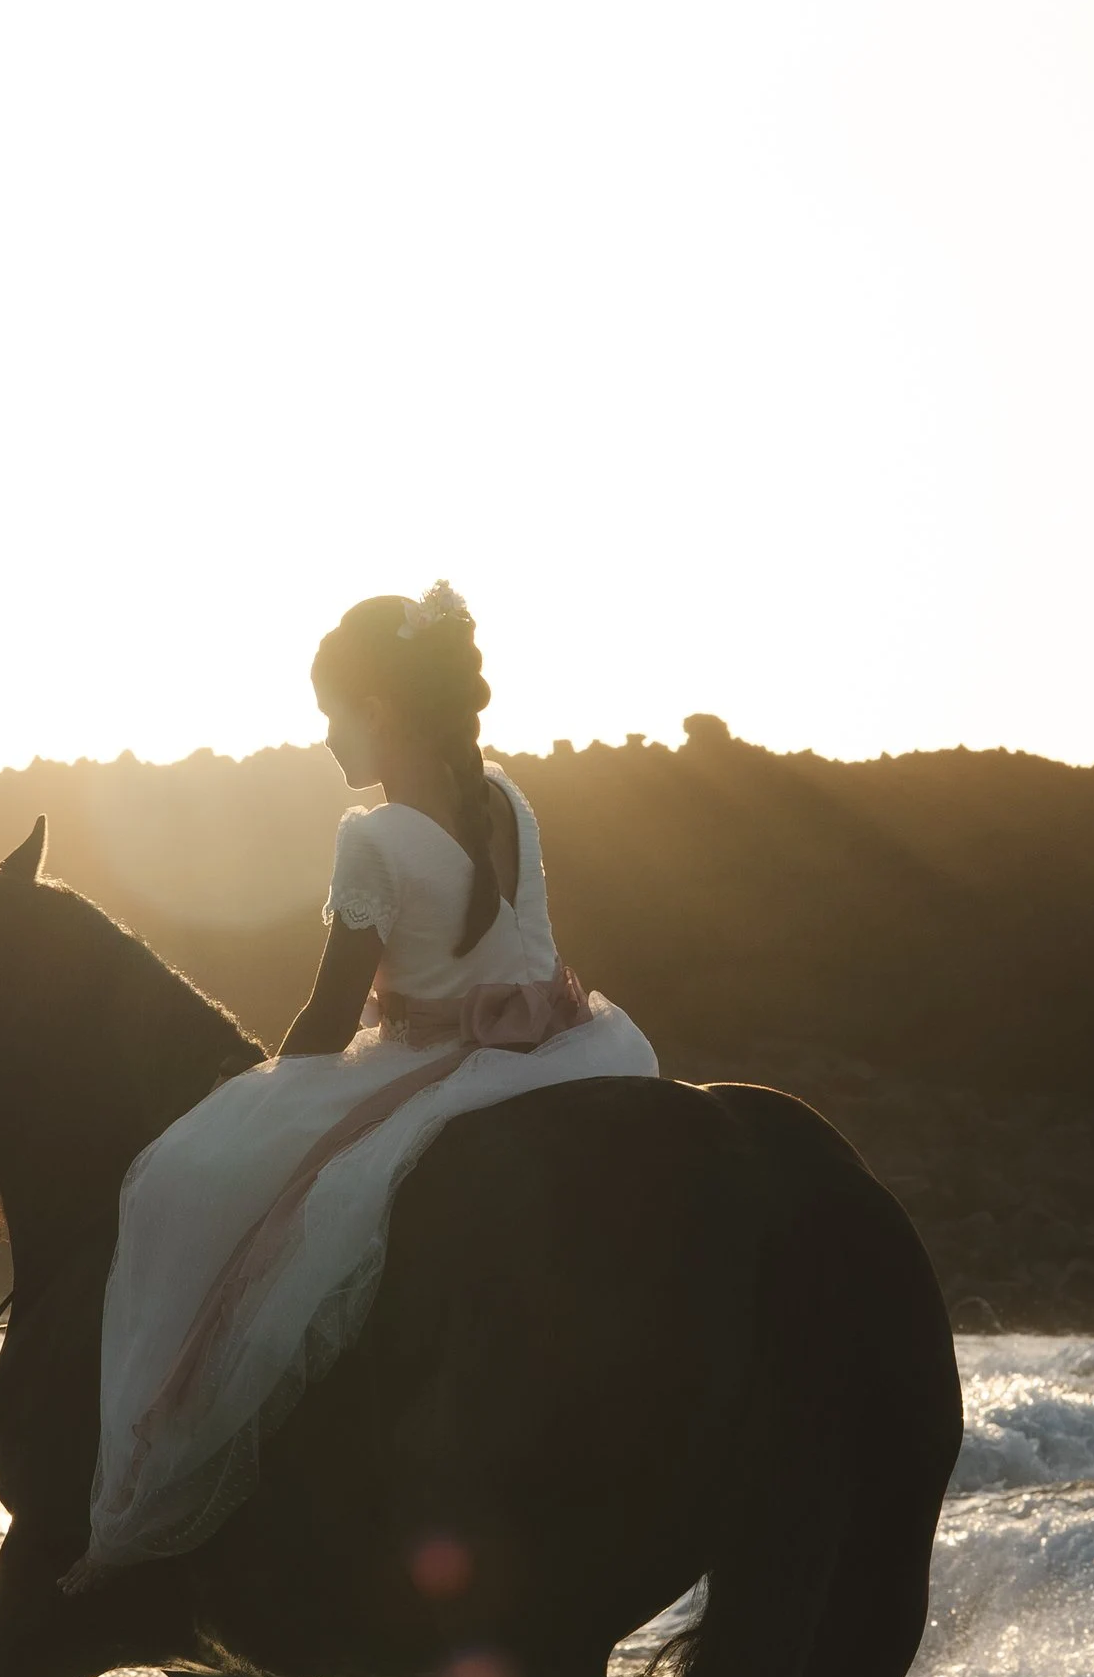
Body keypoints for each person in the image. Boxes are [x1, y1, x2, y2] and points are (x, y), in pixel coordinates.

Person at [72, 583, 659, 1581]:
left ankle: (180, 1462)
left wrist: (261, 1097)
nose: (327, 737)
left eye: (332, 714)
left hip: (436, 1063)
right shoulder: (506, 803)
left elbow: (332, 1017)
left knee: (187, 1181)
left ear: (378, 713)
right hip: (565, 1048)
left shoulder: (373, 836)